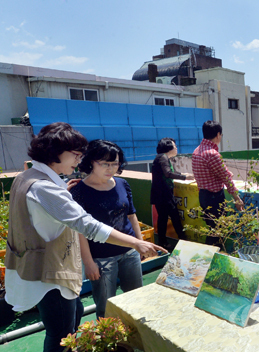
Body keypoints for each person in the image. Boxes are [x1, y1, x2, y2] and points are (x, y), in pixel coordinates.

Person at [4, 122, 164, 352]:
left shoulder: (30, 176)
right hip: (49, 272)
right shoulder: (46, 188)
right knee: (61, 332)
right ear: (55, 152)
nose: (79, 161)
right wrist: (136, 242)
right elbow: (86, 225)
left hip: (44, 266)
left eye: (115, 163)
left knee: (75, 314)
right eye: (76, 155)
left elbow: (130, 214)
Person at [69, 140, 143, 318]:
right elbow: (79, 231)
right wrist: (88, 263)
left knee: (137, 299)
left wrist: (139, 245)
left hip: (129, 253)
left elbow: (132, 216)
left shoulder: (122, 184)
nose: (110, 168)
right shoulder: (79, 191)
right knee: (105, 307)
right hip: (101, 258)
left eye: (115, 163)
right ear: (91, 162)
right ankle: (110, 342)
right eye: (105, 163)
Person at [192, 121, 243, 248]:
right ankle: (210, 258)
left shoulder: (197, 151)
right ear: (218, 135)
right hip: (215, 198)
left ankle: (208, 257)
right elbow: (227, 179)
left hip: (203, 196)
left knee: (212, 229)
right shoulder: (212, 154)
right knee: (217, 232)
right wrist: (237, 198)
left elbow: (211, 173)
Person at [151, 137, 194, 250]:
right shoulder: (163, 158)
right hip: (164, 195)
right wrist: (184, 177)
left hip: (161, 194)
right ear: (169, 148)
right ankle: (182, 240)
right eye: (175, 146)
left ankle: (163, 241)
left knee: (164, 218)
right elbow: (168, 173)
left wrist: (181, 173)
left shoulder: (162, 158)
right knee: (173, 217)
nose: (176, 149)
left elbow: (169, 172)